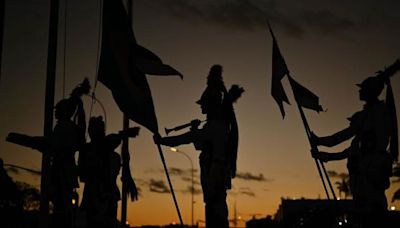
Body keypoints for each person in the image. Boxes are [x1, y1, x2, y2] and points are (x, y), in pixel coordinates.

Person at [154, 65, 244, 227]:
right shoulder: (218, 126)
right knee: (215, 209)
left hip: (214, 172)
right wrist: (195, 129)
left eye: (203, 104)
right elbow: (199, 144)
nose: (201, 107)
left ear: (210, 104)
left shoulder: (214, 127)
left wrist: (162, 141)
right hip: (214, 170)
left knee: (215, 212)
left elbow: (186, 139)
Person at [311, 76, 394, 227]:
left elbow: (345, 137)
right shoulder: (369, 115)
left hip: (372, 165)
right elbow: (346, 147)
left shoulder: (376, 112)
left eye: (363, 89)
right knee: (364, 206)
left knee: (373, 207)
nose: (360, 91)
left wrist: (321, 144)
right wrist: (322, 148)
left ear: (371, 91)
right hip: (366, 166)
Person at [79, 116, 139, 228]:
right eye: (92, 129)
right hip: (92, 196)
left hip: (107, 196)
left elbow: (112, 141)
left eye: (98, 129)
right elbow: (83, 175)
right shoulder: (87, 150)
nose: (93, 132)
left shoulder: (112, 155)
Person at [50, 96, 86, 228]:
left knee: (61, 205)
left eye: (58, 109)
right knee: (61, 204)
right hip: (64, 169)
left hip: (63, 169)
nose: (55, 111)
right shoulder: (67, 126)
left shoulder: (65, 127)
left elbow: (55, 146)